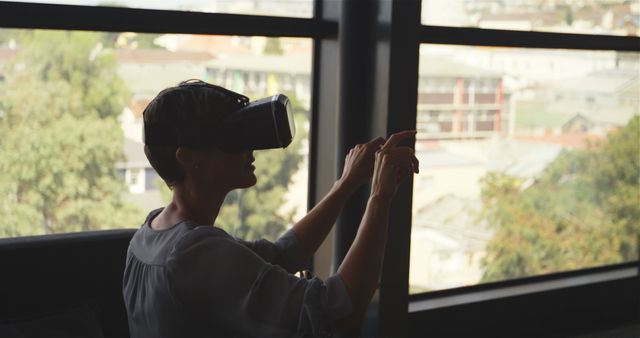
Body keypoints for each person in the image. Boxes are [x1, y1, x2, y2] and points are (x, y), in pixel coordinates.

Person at [122, 80, 419, 338]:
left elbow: (282, 255)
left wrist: (346, 184)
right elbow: (340, 309)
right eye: (233, 138)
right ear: (188, 158)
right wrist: (380, 196)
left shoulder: (151, 234)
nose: (250, 148)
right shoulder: (193, 252)